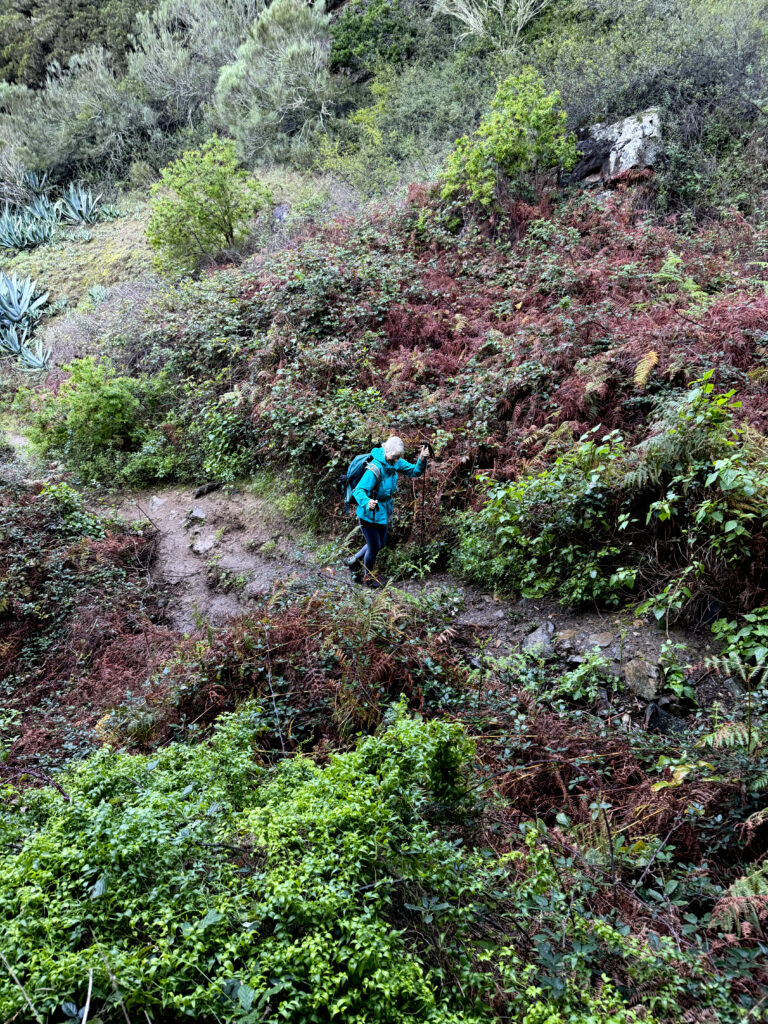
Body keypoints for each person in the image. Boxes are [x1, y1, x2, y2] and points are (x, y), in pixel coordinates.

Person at [347, 436, 430, 587]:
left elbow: (415, 471)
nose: (396, 460)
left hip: (383, 512)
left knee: (380, 543)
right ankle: (368, 579)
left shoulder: (395, 463)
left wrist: (422, 459)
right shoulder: (375, 469)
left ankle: (354, 562)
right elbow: (359, 490)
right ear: (386, 451)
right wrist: (367, 502)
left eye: (398, 458)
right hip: (368, 514)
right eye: (393, 457)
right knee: (373, 547)